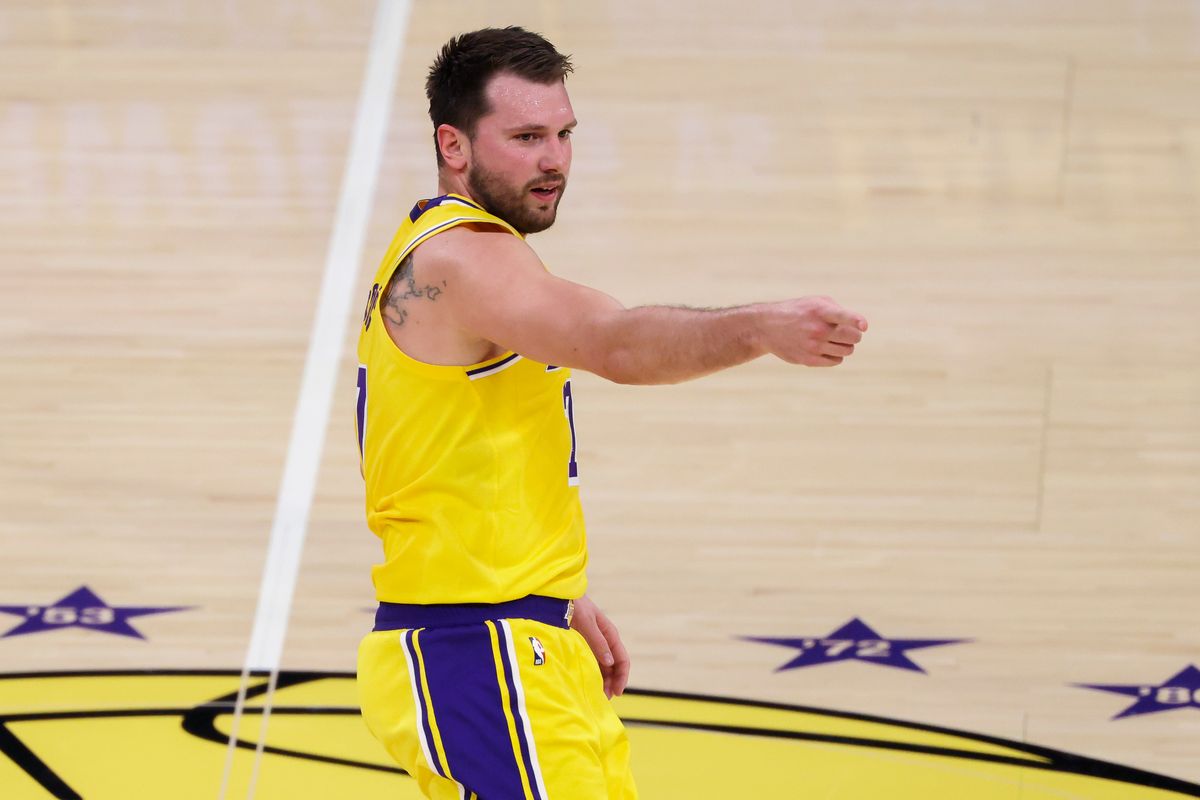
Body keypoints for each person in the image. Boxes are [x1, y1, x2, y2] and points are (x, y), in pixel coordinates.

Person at [355, 26, 868, 800]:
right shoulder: (463, 260)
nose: (554, 159)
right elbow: (617, 345)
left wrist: (553, 594)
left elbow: (453, 450)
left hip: (512, 637)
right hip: (479, 652)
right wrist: (760, 326)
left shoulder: (460, 255)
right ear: (453, 145)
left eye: (564, 134)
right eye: (526, 137)